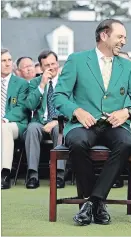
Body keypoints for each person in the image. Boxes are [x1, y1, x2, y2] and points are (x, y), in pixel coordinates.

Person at [53, 18, 131, 226]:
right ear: (104, 35)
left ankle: (92, 202)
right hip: (82, 125)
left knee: (126, 142)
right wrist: (77, 111)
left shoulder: (128, 66)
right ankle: (98, 204)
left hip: (115, 126)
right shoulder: (77, 60)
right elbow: (58, 96)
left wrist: (127, 111)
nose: (124, 41)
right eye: (120, 36)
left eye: (125, 37)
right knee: (77, 142)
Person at [24, 50, 66, 189]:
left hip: (59, 121)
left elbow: (71, 106)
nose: (51, 67)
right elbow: (29, 105)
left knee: (58, 129)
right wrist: (42, 85)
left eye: (53, 63)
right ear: (41, 67)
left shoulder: (65, 81)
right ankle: (33, 175)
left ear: (58, 64)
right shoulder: (34, 82)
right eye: (46, 65)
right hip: (39, 121)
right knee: (31, 129)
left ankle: (59, 175)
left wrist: (56, 121)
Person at [1, 49, 29, 189]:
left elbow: (22, 107)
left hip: (16, 124)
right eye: (3, 61)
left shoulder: (21, 84)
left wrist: (4, 119)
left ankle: (5, 174)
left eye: (9, 60)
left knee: (4, 128)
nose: (7, 64)